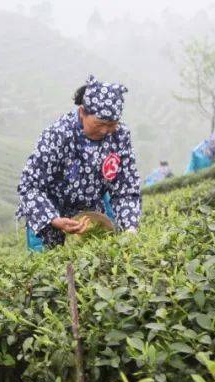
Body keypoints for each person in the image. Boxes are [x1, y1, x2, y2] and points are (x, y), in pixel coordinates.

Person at [16, 75, 141, 251]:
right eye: (100, 123)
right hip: (50, 214)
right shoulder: (58, 135)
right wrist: (54, 219)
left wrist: (130, 228)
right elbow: (29, 186)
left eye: (112, 124)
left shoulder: (119, 136)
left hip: (89, 218)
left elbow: (126, 188)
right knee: (51, 268)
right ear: (82, 112)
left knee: (91, 263)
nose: (106, 130)